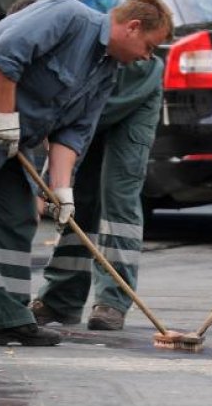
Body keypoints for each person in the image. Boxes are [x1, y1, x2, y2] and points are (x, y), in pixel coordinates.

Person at [0, 0, 173, 348]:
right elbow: (5, 56)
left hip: (10, 137)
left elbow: (73, 132)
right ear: (132, 26)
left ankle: (9, 320)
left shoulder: (106, 70)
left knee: (16, 218)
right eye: (149, 46)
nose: (147, 56)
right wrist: (4, 116)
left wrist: (61, 191)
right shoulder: (69, 15)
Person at [30, 35, 164, 331]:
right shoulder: (51, 51)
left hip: (131, 107)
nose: (149, 55)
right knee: (78, 200)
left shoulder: (139, 65)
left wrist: (42, 189)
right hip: (86, 110)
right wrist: (53, 189)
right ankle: (60, 300)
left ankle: (113, 300)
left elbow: (56, 124)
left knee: (118, 197)